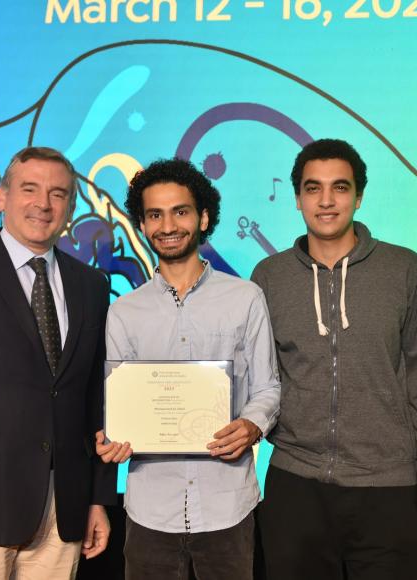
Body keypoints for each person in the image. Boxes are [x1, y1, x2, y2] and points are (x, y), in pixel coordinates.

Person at [251, 138, 417, 580]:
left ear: (359, 195)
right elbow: (261, 380)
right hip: (295, 484)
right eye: (313, 188)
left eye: (340, 187)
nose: (327, 200)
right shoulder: (269, 277)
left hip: (388, 487)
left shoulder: (405, 269)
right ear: (297, 197)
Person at [96, 158, 280, 580]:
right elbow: (121, 404)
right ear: (142, 224)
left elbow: (268, 386)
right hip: (149, 510)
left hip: (228, 504)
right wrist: (113, 436)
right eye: (154, 214)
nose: (168, 225)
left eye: (180, 211)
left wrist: (252, 425)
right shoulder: (124, 311)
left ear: (203, 217)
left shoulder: (245, 297)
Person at [0, 147, 117, 580]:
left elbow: (95, 398)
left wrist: (97, 498)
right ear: (2, 197)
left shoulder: (91, 285)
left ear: (71, 208)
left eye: (58, 193)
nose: (43, 204)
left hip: (65, 510)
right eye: (29, 189)